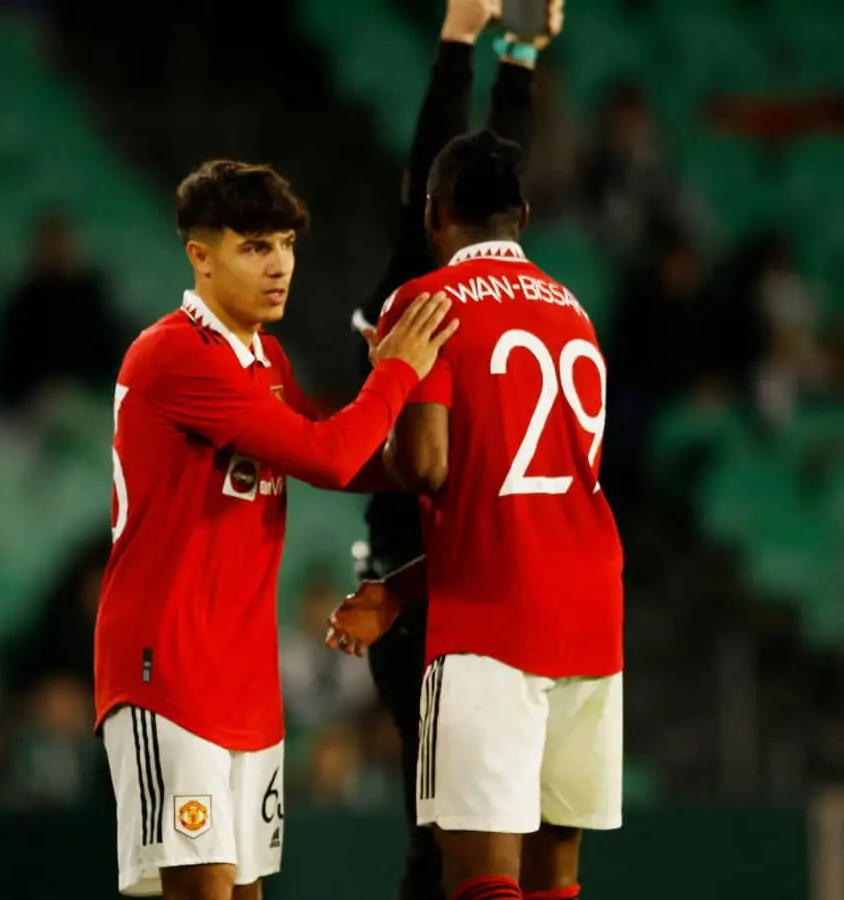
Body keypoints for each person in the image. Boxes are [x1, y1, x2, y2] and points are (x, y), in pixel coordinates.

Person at [93, 159, 457, 900]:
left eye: (287, 244)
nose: (281, 265)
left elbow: (336, 452)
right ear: (200, 254)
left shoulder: (265, 358)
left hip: (243, 673)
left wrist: (445, 465)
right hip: (167, 664)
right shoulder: (173, 355)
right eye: (256, 246)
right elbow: (325, 455)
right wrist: (395, 373)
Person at [329, 131, 624, 900]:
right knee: (555, 877)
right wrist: (395, 592)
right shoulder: (575, 312)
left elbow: (426, 466)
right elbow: (521, 507)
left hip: (492, 630)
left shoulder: (425, 303)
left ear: (435, 215)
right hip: (591, 620)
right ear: (521, 216)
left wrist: (382, 392)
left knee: (478, 878)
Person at [347, 2, 555, 897]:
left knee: (455, 832)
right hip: (450, 585)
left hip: (451, 580)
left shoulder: (448, 293)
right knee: (471, 833)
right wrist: (485, 53)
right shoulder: (451, 295)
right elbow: (460, 186)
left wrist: (488, 50)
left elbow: (470, 187)